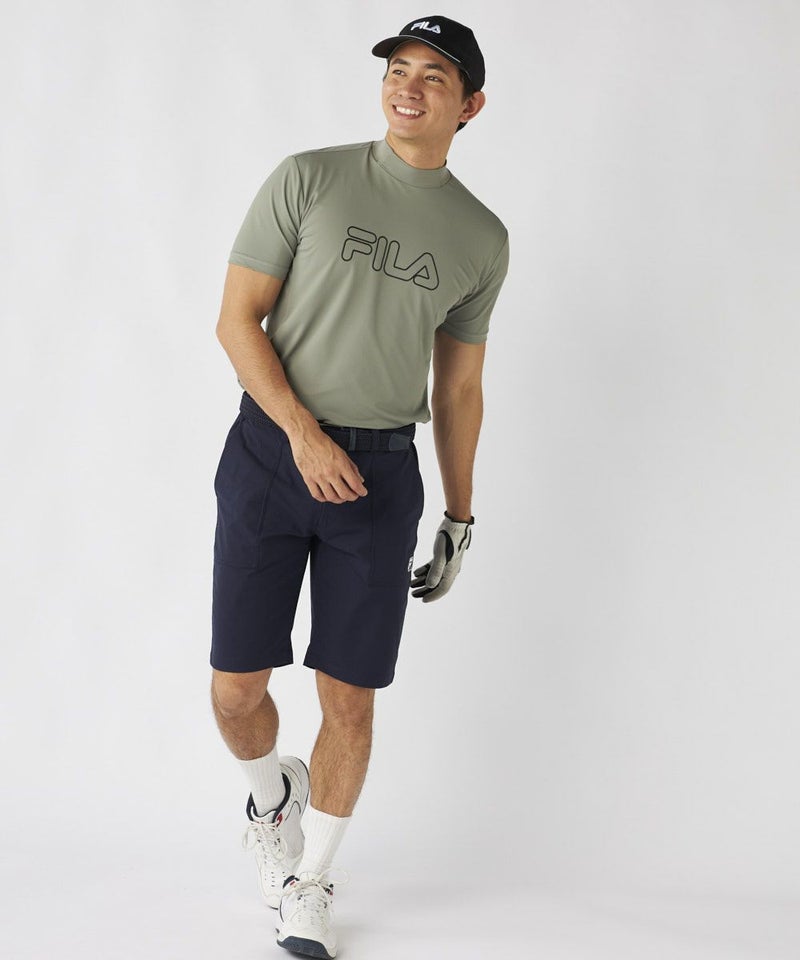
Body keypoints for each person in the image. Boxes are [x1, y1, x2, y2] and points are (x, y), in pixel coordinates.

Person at [210, 15, 509, 959]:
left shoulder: (481, 238)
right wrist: (301, 434)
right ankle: (272, 801)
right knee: (235, 691)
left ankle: (311, 881)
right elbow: (237, 322)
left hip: (379, 478)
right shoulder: (309, 177)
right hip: (270, 453)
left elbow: (457, 390)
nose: (408, 86)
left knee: (350, 700)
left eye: (434, 77)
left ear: (471, 106)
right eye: (398, 69)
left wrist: (460, 514)